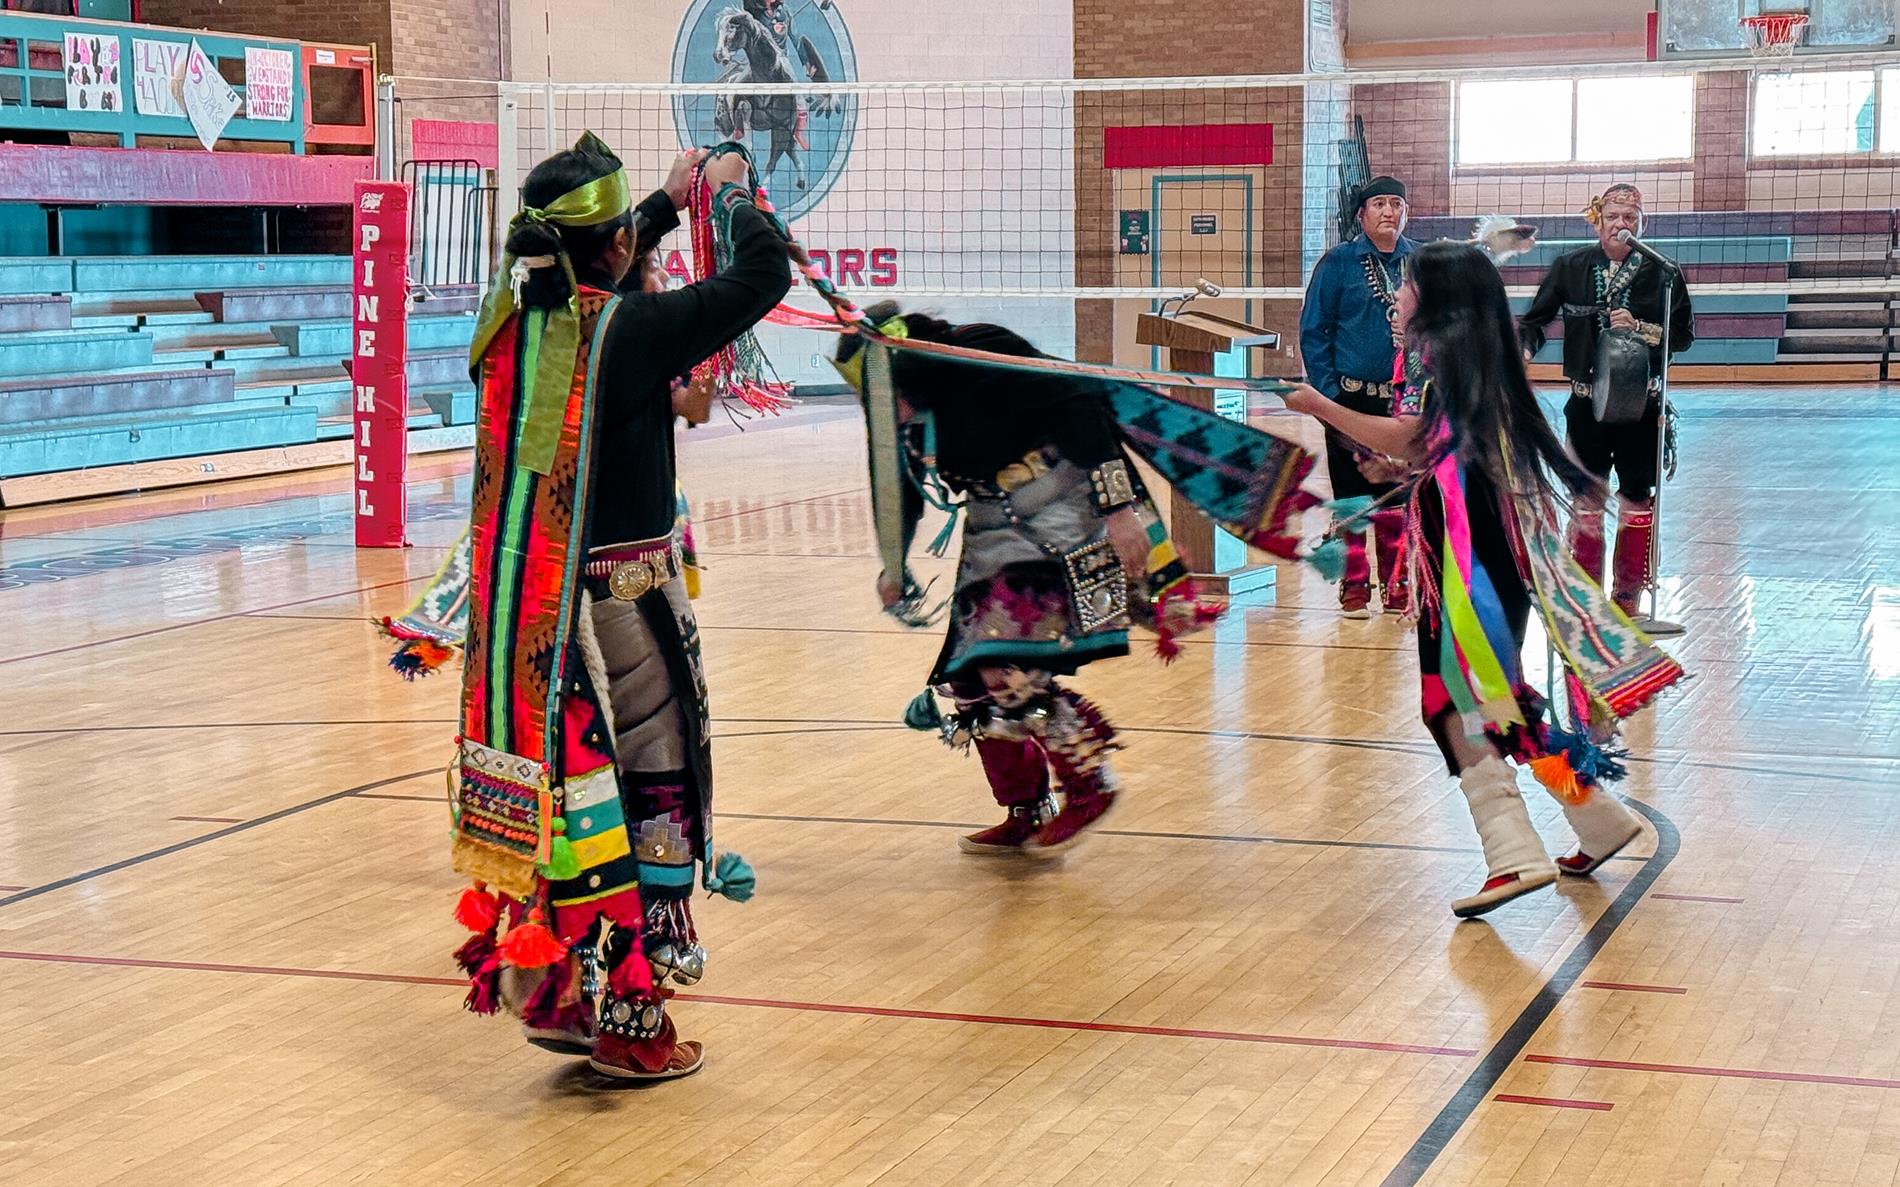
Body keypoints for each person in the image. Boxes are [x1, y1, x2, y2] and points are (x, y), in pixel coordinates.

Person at [431, 134, 790, 1082]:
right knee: (650, 798)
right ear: (617, 248)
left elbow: (607, 272)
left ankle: (553, 993)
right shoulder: (623, 332)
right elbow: (761, 277)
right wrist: (731, 195)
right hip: (618, 616)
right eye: (631, 230)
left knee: (568, 802)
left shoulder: (513, 319)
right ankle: (633, 1022)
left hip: (532, 621)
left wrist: (664, 208)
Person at [1284, 241, 1683, 918]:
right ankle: (1600, 819)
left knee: (1453, 703)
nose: (1396, 299)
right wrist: (1405, 472)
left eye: (1405, 286)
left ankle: (1514, 855)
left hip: (1470, 563)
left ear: (1435, 300)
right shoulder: (1464, 360)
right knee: (1496, 701)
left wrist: (1321, 407)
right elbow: (1443, 453)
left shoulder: (1454, 366)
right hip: (1481, 552)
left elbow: (1416, 438)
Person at [832, 305, 1157, 855]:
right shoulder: (911, 410)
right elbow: (901, 483)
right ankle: (1025, 807)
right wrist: (896, 561)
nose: (879, 410)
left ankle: (1088, 777)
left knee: (1000, 663)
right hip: (992, 523)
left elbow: (1081, 405)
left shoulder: (979, 350)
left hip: (1056, 505)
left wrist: (1120, 511)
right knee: (965, 678)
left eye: (880, 397)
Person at [1518, 183, 1694, 617]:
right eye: (1613, 217)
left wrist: (1642, 328)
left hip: (1640, 405)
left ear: (1642, 223)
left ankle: (1629, 598)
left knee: (1636, 496)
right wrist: (1522, 352)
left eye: (1630, 218)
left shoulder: (1663, 272)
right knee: (1586, 496)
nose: (1621, 225)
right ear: (1596, 220)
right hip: (1586, 405)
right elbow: (1535, 321)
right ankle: (1585, 596)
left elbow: (1684, 338)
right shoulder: (1570, 266)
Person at [1298, 175, 1418, 617]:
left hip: (1404, 402)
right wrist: (1328, 398)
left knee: (1398, 494)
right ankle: (1353, 584)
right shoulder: (1339, 263)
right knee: (1351, 492)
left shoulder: (1421, 262)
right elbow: (1314, 331)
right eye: (1380, 204)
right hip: (1350, 400)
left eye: (1397, 204)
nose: (1390, 212)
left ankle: (1398, 582)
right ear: (1361, 214)